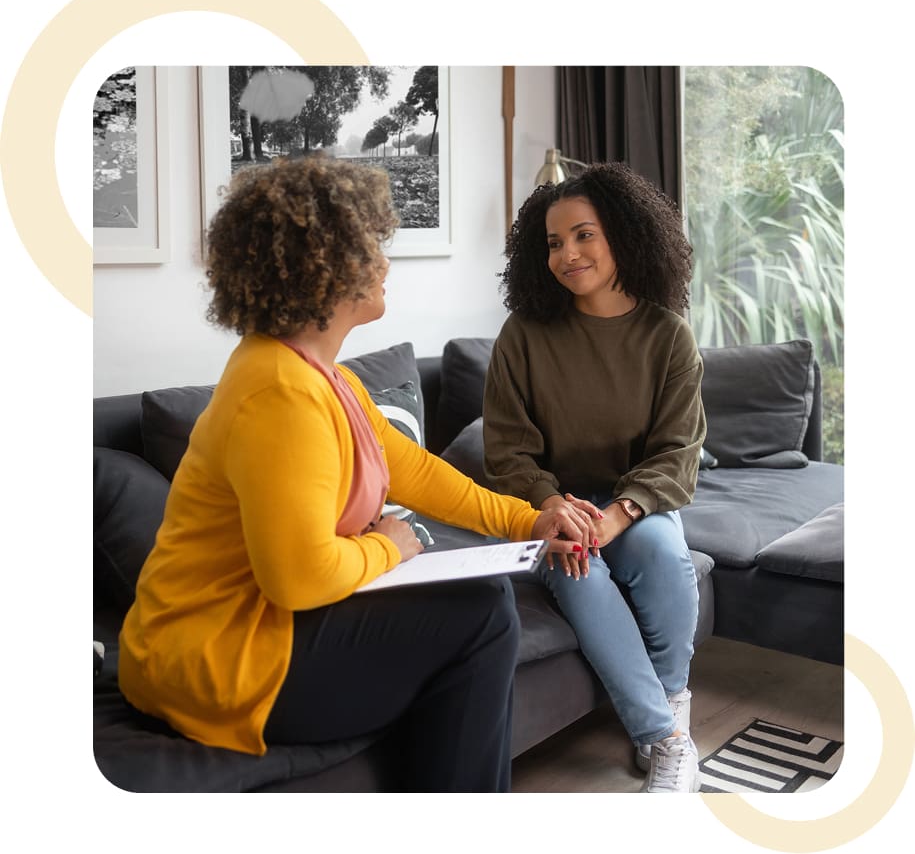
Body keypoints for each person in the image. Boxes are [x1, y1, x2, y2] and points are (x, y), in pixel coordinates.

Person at [117, 155, 597, 793]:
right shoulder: (280, 391)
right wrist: (389, 545)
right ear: (325, 267)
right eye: (370, 246)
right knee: (480, 615)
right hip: (219, 659)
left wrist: (528, 518)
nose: (384, 263)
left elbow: (416, 473)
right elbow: (298, 577)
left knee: (479, 601)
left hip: (267, 629)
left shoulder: (327, 379)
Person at [482, 162, 706, 793]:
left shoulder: (668, 336)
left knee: (665, 556)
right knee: (578, 570)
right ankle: (665, 740)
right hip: (548, 502)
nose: (567, 254)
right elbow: (507, 451)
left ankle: (671, 704)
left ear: (625, 237)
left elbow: (677, 451)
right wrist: (553, 504)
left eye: (584, 235)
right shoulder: (523, 335)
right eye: (553, 242)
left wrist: (620, 514)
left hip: (635, 500)